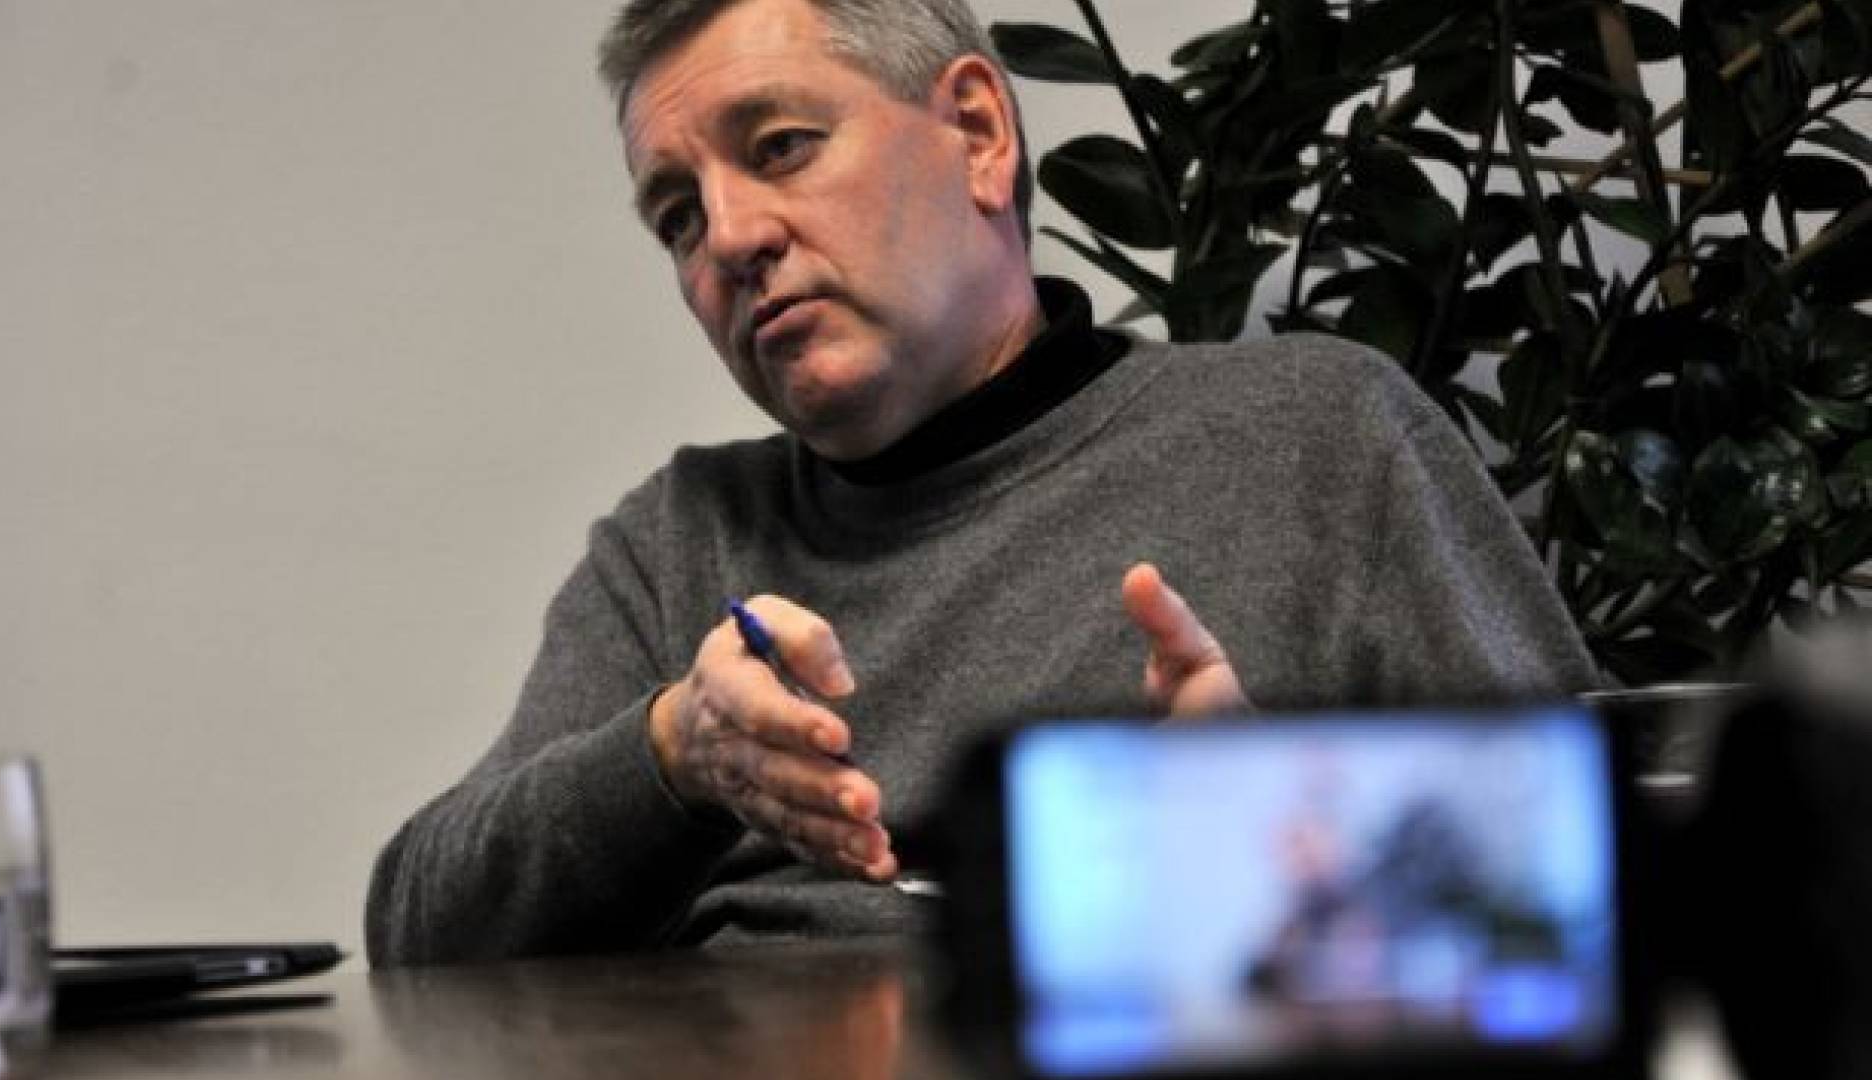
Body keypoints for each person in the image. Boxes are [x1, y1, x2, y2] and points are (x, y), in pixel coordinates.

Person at [364, 0, 1598, 967]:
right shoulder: (682, 537)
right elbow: (420, 927)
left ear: (977, 133)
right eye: (678, 216)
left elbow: (1584, 892)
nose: (729, 238)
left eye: (781, 147)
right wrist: (674, 757)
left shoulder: (1317, 437)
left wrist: (1270, 831)